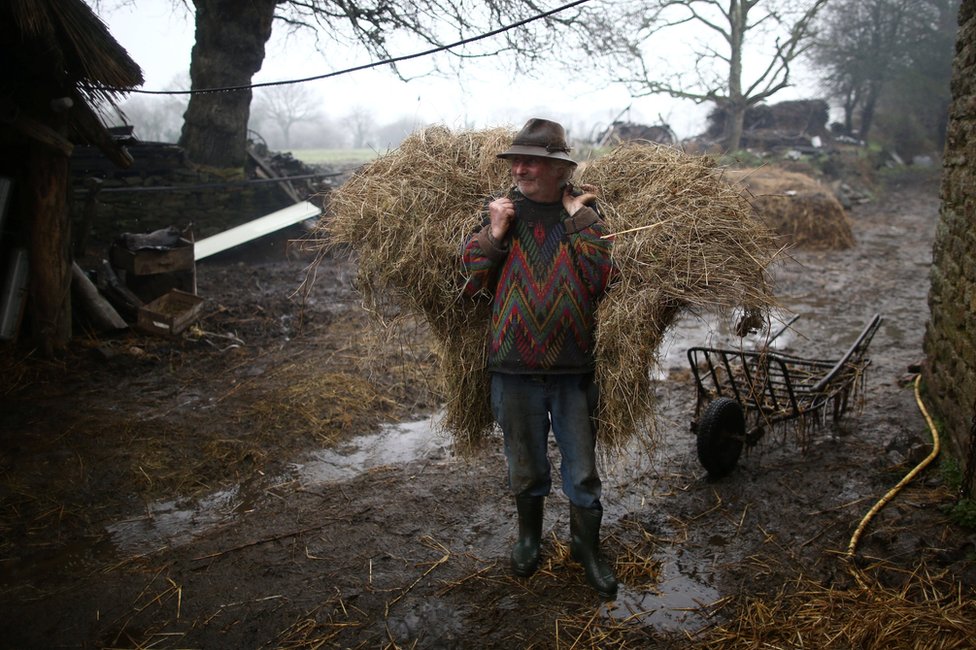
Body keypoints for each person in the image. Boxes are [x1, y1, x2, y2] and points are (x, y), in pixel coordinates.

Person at [461, 118, 618, 598]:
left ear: (559, 169)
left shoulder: (586, 217)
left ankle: (586, 548)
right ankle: (529, 539)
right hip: (513, 367)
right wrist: (494, 231)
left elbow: (603, 279)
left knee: (583, 470)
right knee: (525, 467)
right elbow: (469, 280)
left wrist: (579, 218)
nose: (520, 169)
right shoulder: (502, 213)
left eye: (531, 161)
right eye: (516, 161)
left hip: (575, 368)